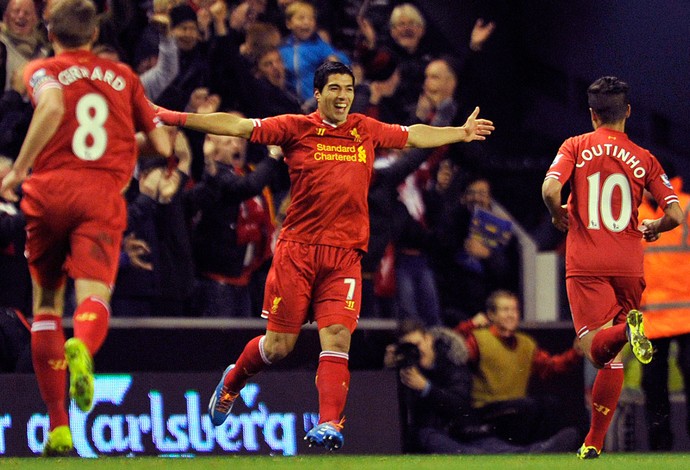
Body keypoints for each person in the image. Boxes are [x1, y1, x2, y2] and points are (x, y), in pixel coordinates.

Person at [154, 60, 494, 450]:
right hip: (297, 253)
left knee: (337, 338)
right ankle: (233, 381)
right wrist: (174, 117)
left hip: (345, 256)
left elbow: (413, 135)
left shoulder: (364, 129)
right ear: (318, 93)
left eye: (348, 89)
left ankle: (329, 423)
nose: (343, 96)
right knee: (278, 346)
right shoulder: (295, 128)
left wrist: (460, 132)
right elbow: (236, 126)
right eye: (335, 88)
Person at [0, 0, 172, 457]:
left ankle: (58, 428)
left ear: (51, 33)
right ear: (94, 36)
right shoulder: (126, 78)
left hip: (48, 192)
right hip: (99, 194)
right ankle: (83, 345)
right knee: (94, 296)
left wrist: (19, 169)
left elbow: (52, 105)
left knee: (45, 306)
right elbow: (161, 142)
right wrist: (123, 147)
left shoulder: (39, 68)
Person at [541, 76, 684, 459]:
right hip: (629, 264)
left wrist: (558, 214)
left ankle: (624, 330)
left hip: (587, 261)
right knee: (614, 357)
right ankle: (594, 441)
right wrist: (656, 226)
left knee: (596, 350)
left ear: (591, 114)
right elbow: (675, 212)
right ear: (628, 112)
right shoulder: (645, 157)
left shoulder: (574, 145)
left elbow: (550, 189)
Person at [384, 319, 579, 454]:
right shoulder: (403, 366)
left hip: (463, 425)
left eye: (417, 344)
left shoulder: (452, 359)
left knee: (487, 442)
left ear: (428, 339)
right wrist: (388, 368)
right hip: (429, 432)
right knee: (436, 439)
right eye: (408, 346)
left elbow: (460, 404)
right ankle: (513, 456)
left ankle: (535, 452)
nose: (415, 351)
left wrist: (426, 387)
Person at [454, 290, 583, 445]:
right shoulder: (479, 339)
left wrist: (575, 353)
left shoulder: (526, 343)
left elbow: (550, 366)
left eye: (515, 310)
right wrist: (470, 325)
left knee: (550, 404)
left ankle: (545, 448)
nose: (511, 315)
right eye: (505, 310)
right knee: (526, 407)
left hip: (515, 407)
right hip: (487, 408)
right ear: (491, 315)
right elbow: (451, 346)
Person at [638, 166, 690, 451]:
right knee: (653, 385)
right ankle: (660, 447)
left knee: (657, 384)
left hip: (684, 314)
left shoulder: (685, 206)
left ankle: (662, 445)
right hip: (651, 317)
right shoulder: (634, 214)